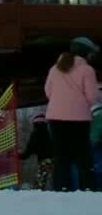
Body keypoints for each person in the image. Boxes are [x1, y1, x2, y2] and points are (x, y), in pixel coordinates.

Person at [44, 36, 99, 192]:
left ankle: (60, 188)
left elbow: (48, 92)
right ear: (85, 53)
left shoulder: (55, 68)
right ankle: (88, 188)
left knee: (61, 156)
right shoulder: (87, 70)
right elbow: (92, 96)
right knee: (83, 156)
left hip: (55, 118)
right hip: (79, 119)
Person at [19, 114, 54, 190]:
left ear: (34, 124)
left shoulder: (35, 134)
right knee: (55, 181)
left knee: (40, 183)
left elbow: (29, 150)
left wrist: (19, 156)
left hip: (44, 161)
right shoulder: (50, 132)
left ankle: (38, 197)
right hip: (56, 160)